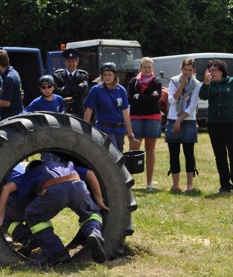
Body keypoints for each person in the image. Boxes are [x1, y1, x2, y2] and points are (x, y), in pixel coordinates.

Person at [0, 160, 108, 266]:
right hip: (77, 185)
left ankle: (56, 251)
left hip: (55, 190)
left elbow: (7, 188)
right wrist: (99, 200)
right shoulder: (64, 165)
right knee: (90, 213)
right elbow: (90, 173)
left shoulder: (32, 173)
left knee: (34, 216)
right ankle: (94, 233)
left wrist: (0, 216)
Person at [199, 59, 233, 194]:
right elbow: (202, 96)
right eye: (209, 71)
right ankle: (225, 185)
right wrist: (205, 82)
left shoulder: (232, 82)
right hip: (214, 124)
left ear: (221, 71)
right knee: (220, 155)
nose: (210, 73)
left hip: (231, 123)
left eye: (213, 70)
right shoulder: (208, 84)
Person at [166, 58, 201, 193]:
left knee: (189, 153)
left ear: (194, 71)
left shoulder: (197, 84)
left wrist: (179, 120)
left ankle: (190, 185)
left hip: (188, 120)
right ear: (181, 69)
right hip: (172, 118)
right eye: (185, 70)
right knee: (174, 153)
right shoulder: (174, 80)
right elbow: (172, 99)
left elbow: (192, 106)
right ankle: (175, 184)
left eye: (190, 70)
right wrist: (181, 85)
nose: (187, 72)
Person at [83, 62, 135, 152]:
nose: (107, 77)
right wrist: (84, 129)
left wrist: (130, 132)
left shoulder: (121, 90)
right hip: (104, 129)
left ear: (115, 75)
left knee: (119, 155)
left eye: (110, 74)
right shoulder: (96, 90)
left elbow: (125, 112)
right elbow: (89, 110)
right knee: (113, 155)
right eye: (105, 75)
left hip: (120, 130)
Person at [127, 57, 162, 189]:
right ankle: (129, 182)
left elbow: (156, 98)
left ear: (153, 68)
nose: (147, 69)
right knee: (133, 149)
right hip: (136, 118)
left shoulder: (157, 81)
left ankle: (149, 183)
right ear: (140, 68)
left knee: (150, 150)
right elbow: (130, 99)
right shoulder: (133, 81)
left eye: (149, 67)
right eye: (144, 67)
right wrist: (148, 97)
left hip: (153, 118)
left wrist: (139, 97)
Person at [53, 48, 89, 118]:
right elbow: (56, 91)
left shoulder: (83, 75)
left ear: (77, 62)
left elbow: (83, 90)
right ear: (65, 62)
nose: (71, 64)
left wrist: (65, 88)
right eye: (69, 61)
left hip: (78, 111)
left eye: (73, 61)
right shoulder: (57, 75)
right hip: (62, 109)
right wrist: (76, 88)